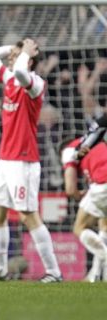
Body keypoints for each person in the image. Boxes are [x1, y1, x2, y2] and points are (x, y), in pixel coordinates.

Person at [0, 38, 62, 282]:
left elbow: (20, 69)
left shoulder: (35, 83)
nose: (10, 57)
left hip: (24, 161)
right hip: (5, 160)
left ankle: (54, 272)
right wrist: (13, 48)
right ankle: (0, 269)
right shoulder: (9, 79)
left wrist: (24, 52)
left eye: (15, 54)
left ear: (29, 58)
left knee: (28, 215)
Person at [61, 114, 107, 281]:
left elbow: (70, 188)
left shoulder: (70, 150)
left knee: (79, 228)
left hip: (103, 183)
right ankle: (96, 276)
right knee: (104, 225)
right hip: (100, 185)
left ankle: (103, 260)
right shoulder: (98, 141)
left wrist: (77, 195)